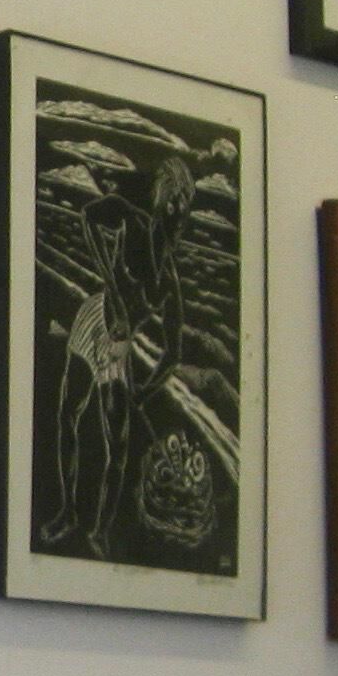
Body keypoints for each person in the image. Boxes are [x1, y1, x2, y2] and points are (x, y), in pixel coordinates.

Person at [40, 155, 196, 561]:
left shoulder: (169, 282)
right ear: (163, 201)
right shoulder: (131, 221)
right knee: (69, 415)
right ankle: (67, 513)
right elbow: (90, 216)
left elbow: (173, 353)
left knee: (119, 445)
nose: (178, 214)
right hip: (94, 319)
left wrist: (142, 392)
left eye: (183, 206)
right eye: (174, 201)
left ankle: (100, 531)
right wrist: (110, 281)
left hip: (118, 351)